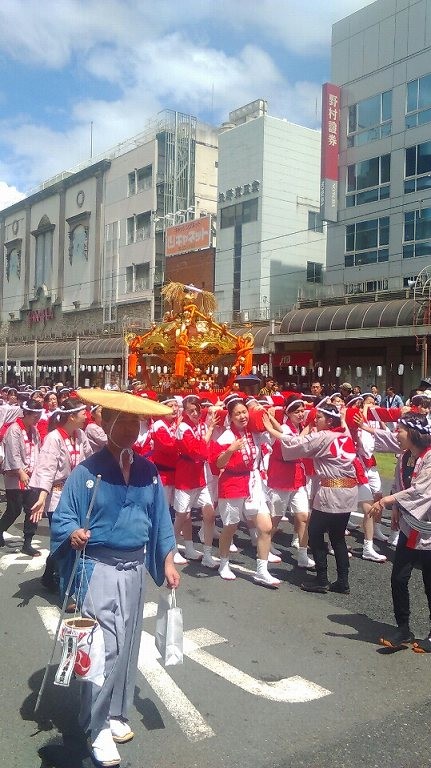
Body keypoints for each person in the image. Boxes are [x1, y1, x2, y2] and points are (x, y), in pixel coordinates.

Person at [49, 389, 179, 767]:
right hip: (98, 567)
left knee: (127, 644)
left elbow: (160, 522)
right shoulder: (86, 472)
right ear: (103, 423)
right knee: (101, 648)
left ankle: (116, 711)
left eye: (132, 421)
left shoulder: (148, 471)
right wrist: (72, 533)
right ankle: (96, 725)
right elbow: (64, 518)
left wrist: (167, 561)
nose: (127, 428)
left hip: (135, 567)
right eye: (118, 420)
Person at [264, 403, 358, 594]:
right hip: (349, 491)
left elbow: (295, 443)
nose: (316, 420)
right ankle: (343, 581)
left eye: (319, 418)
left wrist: (269, 429)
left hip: (332, 492)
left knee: (315, 533)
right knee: (337, 537)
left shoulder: (324, 437)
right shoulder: (344, 435)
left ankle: (322, 579)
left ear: (330, 421)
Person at [369, 414, 431, 651]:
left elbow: (421, 491)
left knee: (430, 583)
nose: (396, 434)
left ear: (413, 433)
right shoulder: (405, 457)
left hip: (428, 528)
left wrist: (388, 500)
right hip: (410, 526)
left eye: (400, 430)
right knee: (398, 577)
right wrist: (395, 506)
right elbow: (400, 485)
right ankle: (403, 628)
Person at [210, 397, 280, 586]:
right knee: (230, 527)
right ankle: (223, 562)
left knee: (265, 527)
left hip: (253, 480)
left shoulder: (255, 433)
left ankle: (261, 571)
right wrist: (231, 450)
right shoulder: (226, 437)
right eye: (237, 414)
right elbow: (218, 464)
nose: (242, 416)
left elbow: (279, 433)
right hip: (232, 482)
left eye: (244, 412)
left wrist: (269, 417)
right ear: (230, 418)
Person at [29, 398, 92, 592]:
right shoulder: (54, 438)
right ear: (72, 416)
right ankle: (68, 590)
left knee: (67, 541)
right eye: (82, 413)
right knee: (67, 539)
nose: (86, 417)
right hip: (56, 497)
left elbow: (90, 459)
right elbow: (47, 469)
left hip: (77, 495)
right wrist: (41, 498)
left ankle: (48, 576)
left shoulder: (80, 435)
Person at [0, 398, 43, 555]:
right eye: (34, 415)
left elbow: (38, 450)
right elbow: (13, 453)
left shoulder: (35, 430)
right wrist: (20, 471)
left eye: (39, 415)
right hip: (15, 475)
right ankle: (1, 528)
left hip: (32, 476)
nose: (37, 418)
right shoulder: (14, 429)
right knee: (14, 509)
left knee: (33, 509)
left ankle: (28, 542)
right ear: (25, 414)